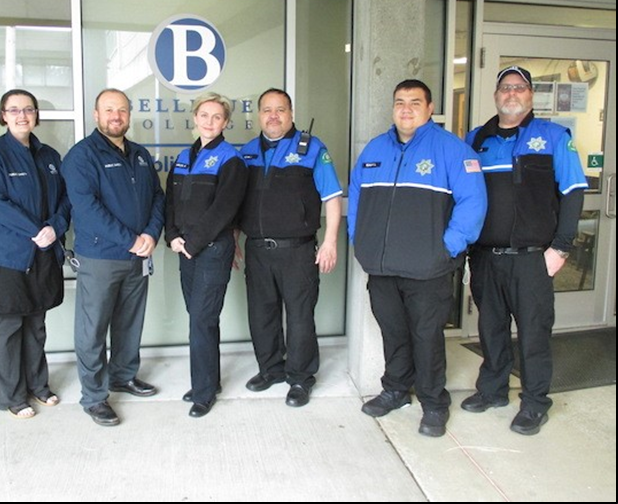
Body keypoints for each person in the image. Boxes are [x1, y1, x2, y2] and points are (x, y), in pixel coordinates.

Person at [348, 79, 487, 437]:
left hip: (428, 269)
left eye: (414, 102)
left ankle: (433, 402)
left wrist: (446, 248)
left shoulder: (453, 151)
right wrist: (359, 241)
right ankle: (395, 389)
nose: (405, 109)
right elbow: (357, 198)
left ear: (429, 108)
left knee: (426, 337)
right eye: (399, 102)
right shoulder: (375, 149)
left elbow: (473, 206)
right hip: (382, 266)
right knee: (393, 332)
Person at [462, 66, 588, 435]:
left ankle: (534, 403)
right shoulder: (476, 140)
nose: (511, 94)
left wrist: (561, 248)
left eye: (519, 88)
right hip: (486, 256)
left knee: (533, 332)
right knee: (491, 328)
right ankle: (493, 390)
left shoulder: (552, 136)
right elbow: (466, 197)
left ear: (530, 95)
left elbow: (573, 192)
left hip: (534, 257)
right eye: (505, 88)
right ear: (496, 95)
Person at [61, 88, 165, 427]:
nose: (116, 116)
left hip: (138, 255)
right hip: (101, 258)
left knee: (129, 322)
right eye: (109, 110)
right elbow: (88, 211)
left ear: (129, 115)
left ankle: (123, 375)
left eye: (121, 110)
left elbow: (158, 199)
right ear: (96, 115)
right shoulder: (81, 156)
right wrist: (132, 239)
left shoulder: (139, 154)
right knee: (93, 330)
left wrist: (150, 234)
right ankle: (94, 396)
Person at [238, 88, 342, 408]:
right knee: (262, 315)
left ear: (291, 113)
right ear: (258, 115)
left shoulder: (312, 148)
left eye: (280, 109)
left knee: (299, 318)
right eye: (267, 110)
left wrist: (330, 242)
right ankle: (270, 369)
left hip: (298, 251)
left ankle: (299, 378)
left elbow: (332, 197)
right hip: (256, 249)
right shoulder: (247, 152)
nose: (273, 115)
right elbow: (235, 203)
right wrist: (234, 243)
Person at [0, 89, 71, 419]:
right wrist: (35, 229)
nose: (21, 115)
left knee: (37, 323)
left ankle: (38, 385)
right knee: (11, 324)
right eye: (13, 110)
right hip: (6, 255)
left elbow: (65, 202)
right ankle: (12, 395)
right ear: (3, 115)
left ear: (36, 115)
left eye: (28, 109)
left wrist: (55, 226)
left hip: (42, 252)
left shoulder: (50, 156)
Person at [165, 92, 248, 418]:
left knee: (201, 318)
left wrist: (192, 242)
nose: (210, 122)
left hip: (211, 251)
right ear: (195, 118)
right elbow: (170, 202)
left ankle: (203, 393)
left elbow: (223, 210)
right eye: (204, 115)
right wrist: (172, 236)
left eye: (217, 117)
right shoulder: (185, 157)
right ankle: (208, 381)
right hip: (185, 250)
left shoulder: (231, 160)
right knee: (200, 318)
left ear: (226, 122)